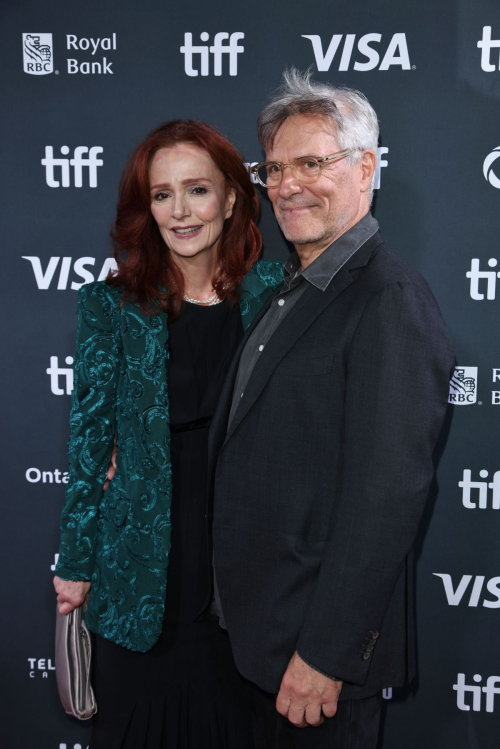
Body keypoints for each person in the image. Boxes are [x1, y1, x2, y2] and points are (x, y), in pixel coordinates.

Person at [209, 69, 455, 748]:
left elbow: (386, 499)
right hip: (257, 640)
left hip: (313, 661)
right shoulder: (296, 287)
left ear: (367, 168)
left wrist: (327, 655)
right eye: (276, 168)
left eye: (312, 162)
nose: (286, 185)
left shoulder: (388, 300)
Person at [52, 119, 283, 749]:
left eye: (197, 190)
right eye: (161, 195)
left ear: (231, 197)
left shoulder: (277, 295)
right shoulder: (110, 306)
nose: (179, 211)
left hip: (243, 579)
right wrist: (75, 564)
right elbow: (89, 444)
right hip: (138, 574)